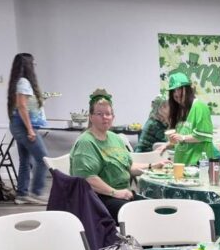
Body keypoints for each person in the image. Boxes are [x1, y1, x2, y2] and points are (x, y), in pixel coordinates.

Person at [70, 89, 163, 217]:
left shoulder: (115, 138)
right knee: (144, 214)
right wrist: (115, 192)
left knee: (158, 208)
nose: (105, 117)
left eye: (108, 114)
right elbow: (87, 178)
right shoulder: (86, 142)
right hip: (100, 199)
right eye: (99, 114)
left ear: (113, 117)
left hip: (123, 194)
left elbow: (128, 167)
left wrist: (152, 166)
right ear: (91, 117)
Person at [8, 52, 50, 205]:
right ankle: (36, 193)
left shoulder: (19, 82)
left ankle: (22, 194)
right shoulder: (24, 82)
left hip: (19, 124)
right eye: (33, 63)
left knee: (25, 160)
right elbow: (21, 106)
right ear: (28, 66)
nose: (35, 65)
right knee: (43, 159)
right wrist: (30, 129)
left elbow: (24, 104)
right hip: (23, 126)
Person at [165, 72, 218, 167]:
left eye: (179, 89)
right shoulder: (180, 110)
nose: (176, 93)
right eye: (173, 91)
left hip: (197, 165)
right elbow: (182, 136)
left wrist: (183, 138)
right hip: (181, 164)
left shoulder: (200, 107)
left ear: (188, 89)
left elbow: (204, 135)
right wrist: (168, 144)